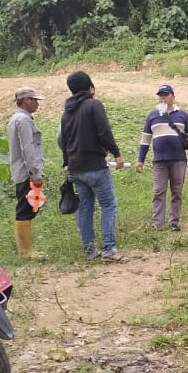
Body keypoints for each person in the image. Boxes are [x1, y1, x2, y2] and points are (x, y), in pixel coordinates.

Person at [59, 71, 127, 261]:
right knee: (109, 205)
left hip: (75, 168)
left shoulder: (66, 113)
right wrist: (117, 153)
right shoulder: (93, 105)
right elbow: (104, 132)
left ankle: (89, 251)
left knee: (86, 209)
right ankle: (109, 250)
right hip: (95, 167)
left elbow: (64, 141)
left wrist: (67, 163)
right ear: (90, 87)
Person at [136, 84, 188, 231]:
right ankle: (157, 223)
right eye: (161, 95)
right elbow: (145, 140)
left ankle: (174, 222)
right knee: (158, 191)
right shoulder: (152, 116)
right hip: (159, 161)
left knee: (177, 191)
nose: (163, 97)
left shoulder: (182, 115)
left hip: (179, 159)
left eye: (166, 94)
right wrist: (140, 160)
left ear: (173, 96)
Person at [8, 86, 46, 258]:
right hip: (26, 173)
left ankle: (26, 249)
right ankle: (25, 251)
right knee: (24, 209)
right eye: (35, 100)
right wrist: (35, 174)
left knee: (28, 208)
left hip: (22, 172)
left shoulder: (17, 119)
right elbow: (27, 148)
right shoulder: (22, 120)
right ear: (25, 101)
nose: (37, 104)